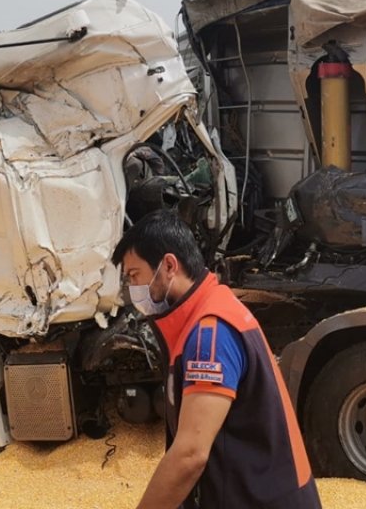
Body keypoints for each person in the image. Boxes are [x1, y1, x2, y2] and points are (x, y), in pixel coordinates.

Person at [113, 211, 321, 509]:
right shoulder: (211, 310)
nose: (133, 289)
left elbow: (190, 455)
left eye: (135, 275)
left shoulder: (209, 334)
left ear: (169, 265)